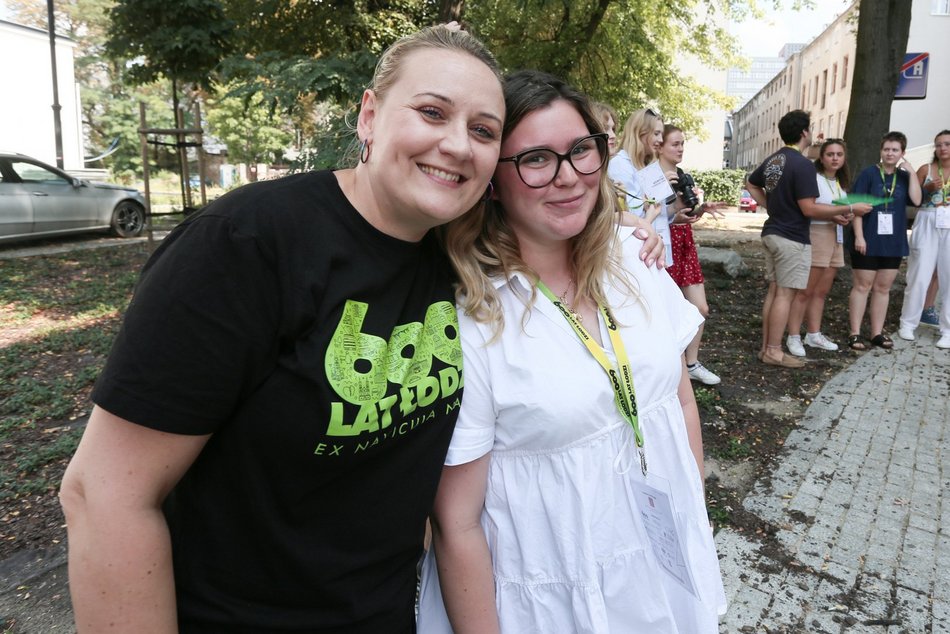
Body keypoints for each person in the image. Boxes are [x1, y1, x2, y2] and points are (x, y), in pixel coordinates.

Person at [57, 25, 510, 633]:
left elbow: (567, 210)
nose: (457, 144)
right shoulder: (247, 243)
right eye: (432, 112)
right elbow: (103, 497)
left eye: (483, 130)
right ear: (369, 117)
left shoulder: (455, 255)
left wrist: (627, 237)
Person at [417, 70, 726, 633]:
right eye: (536, 158)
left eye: (581, 150)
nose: (568, 177)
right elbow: (456, 522)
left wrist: (691, 511)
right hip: (551, 592)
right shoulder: (474, 318)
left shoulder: (637, 258)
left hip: (659, 563)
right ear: (492, 178)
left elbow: (677, 400)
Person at [745, 110, 870, 367]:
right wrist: (849, 209)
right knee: (784, 295)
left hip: (772, 232)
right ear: (804, 133)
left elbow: (751, 183)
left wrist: (771, 206)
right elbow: (810, 209)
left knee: (774, 292)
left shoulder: (774, 159)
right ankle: (773, 350)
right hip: (792, 237)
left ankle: (766, 349)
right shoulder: (802, 164)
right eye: (810, 129)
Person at [658, 124, 727, 385]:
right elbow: (652, 215)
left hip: (685, 245)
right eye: (675, 144)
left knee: (700, 308)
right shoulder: (652, 176)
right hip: (664, 247)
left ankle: (691, 363)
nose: (680, 149)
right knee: (666, 312)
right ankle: (670, 368)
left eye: (682, 144)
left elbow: (687, 216)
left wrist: (702, 209)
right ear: (660, 146)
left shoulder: (683, 175)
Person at [847, 131, 922, 350]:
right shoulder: (869, 173)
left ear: (902, 153)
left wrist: (912, 172)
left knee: (882, 288)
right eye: (886, 149)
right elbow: (857, 208)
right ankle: (855, 333)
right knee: (862, 286)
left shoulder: (905, 176)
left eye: (895, 150)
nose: (890, 153)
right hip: (868, 239)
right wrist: (859, 236)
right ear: (881, 151)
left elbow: (917, 200)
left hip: (893, 241)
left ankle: (876, 333)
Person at [785, 139, 855, 356]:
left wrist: (847, 215)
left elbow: (838, 209)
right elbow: (811, 208)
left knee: (821, 291)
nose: (835, 158)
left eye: (839, 154)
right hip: (817, 233)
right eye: (830, 154)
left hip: (837, 236)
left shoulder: (840, 183)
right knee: (805, 290)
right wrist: (838, 212)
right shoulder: (814, 178)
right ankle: (793, 336)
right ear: (821, 157)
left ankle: (813, 334)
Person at [898, 129, 950, 348]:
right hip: (927, 220)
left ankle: (947, 330)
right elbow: (912, 199)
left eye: (947, 144)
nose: (942, 148)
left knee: (948, 277)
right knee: (919, 274)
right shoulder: (925, 169)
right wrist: (926, 188)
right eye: (938, 144)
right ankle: (907, 323)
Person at [609, 108, 676, 266]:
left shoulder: (649, 166)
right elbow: (627, 217)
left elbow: (660, 215)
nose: (661, 140)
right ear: (641, 132)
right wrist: (655, 192)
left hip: (654, 253)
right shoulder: (619, 165)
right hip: (636, 256)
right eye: (656, 133)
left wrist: (679, 207)